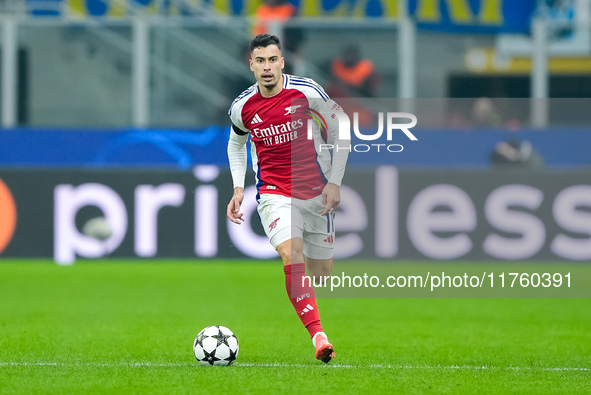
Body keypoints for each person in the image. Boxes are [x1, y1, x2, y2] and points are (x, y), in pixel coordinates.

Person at [226, 34, 349, 363]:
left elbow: (340, 128)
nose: (267, 67)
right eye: (260, 61)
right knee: (290, 254)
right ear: (250, 65)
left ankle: (308, 294)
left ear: (282, 61)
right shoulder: (242, 107)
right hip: (274, 193)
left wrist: (334, 182)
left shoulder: (307, 91)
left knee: (320, 272)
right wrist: (239, 188)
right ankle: (318, 336)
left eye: (272, 60)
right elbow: (236, 145)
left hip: (314, 191)